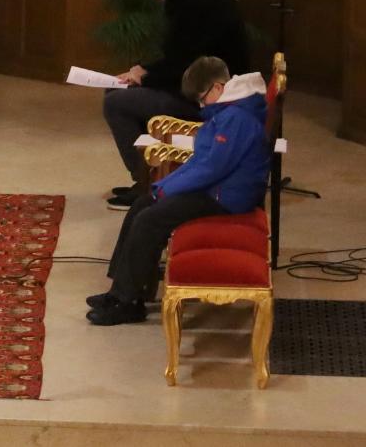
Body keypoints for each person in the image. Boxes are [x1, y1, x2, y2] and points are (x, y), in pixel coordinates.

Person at [87, 56, 270, 325]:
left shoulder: (236, 118)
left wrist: (165, 191)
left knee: (151, 218)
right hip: (216, 188)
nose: (200, 105)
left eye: (202, 97)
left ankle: (127, 302)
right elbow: (201, 160)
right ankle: (124, 291)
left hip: (226, 197)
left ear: (218, 88)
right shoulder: (228, 111)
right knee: (142, 204)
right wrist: (161, 187)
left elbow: (211, 169)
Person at [100, 0, 250, 208]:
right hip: (201, 87)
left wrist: (144, 76)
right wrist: (143, 71)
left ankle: (147, 185)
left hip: (208, 99)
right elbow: (181, 58)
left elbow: (184, 68)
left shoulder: (196, 5)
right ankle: (148, 176)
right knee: (118, 93)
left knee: (116, 103)